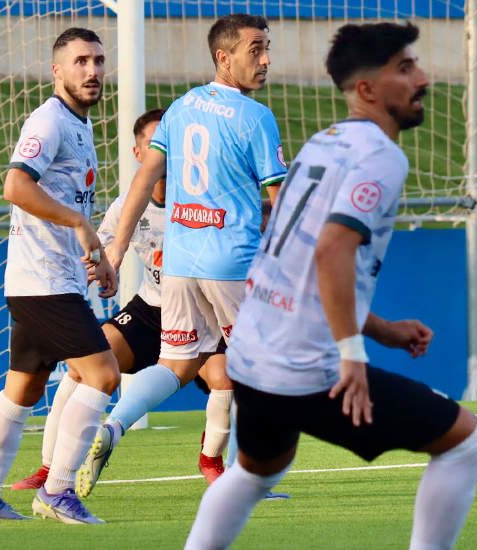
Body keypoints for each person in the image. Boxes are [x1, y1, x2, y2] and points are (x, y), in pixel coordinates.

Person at [184, 22, 477, 549]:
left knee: (256, 473)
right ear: (368, 90)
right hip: (305, 369)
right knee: (470, 442)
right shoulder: (380, 156)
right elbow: (331, 249)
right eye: (405, 68)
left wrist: (382, 330)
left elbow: (307, 264)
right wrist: (352, 354)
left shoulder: (324, 142)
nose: (422, 78)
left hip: (253, 356)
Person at [75, 13, 286, 498]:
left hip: (181, 265)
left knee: (177, 365)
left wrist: (115, 250)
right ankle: (242, 481)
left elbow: (143, 181)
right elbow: (281, 198)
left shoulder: (181, 107)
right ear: (223, 56)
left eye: (267, 48)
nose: (266, 59)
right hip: (232, 261)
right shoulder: (256, 117)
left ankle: (113, 426)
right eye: (256, 49)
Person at [8, 109, 237, 489]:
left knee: (227, 381)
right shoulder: (127, 207)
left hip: (202, 314)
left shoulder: (202, 200)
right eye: (153, 146)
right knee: (84, 367)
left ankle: (213, 464)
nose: (162, 154)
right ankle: (51, 467)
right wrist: (98, 271)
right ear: (137, 153)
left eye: (169, 145)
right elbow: (101, 250)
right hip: (149, 311)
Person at [0, 28, 119, 524]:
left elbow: (70, 203)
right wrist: (78, 223)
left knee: (24, 390)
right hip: (42, 283)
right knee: (103, 374)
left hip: (52, 279)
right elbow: (15, 185)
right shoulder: (48, 121)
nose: (91, 71)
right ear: (57, 71)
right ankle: (57, 491)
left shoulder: (80, 125)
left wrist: (98, 257)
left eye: (97, 60)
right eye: (79, 62)